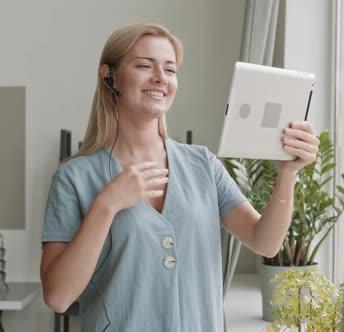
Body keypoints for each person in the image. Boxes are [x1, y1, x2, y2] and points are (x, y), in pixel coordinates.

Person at [40, 23, 319, 332]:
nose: (160, 77)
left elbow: (265, 243)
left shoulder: (203, 164)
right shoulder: (73, 178)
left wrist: (287, 172)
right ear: (110, 76)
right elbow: (58, 297)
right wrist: (107, 204)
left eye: (170, 70)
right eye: (145, 65)